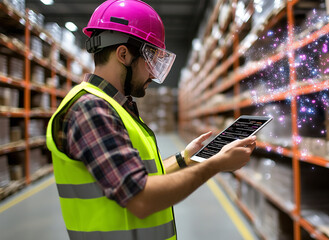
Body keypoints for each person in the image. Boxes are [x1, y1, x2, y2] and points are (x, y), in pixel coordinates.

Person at [46, 0, 256, 239]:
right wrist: (216, 164)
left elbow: (135, 175)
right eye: (151, 59)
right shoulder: (91, 109)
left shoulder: (115, 106)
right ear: (123, 54)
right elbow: (140, 198)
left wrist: (186, 159)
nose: (154, 74)